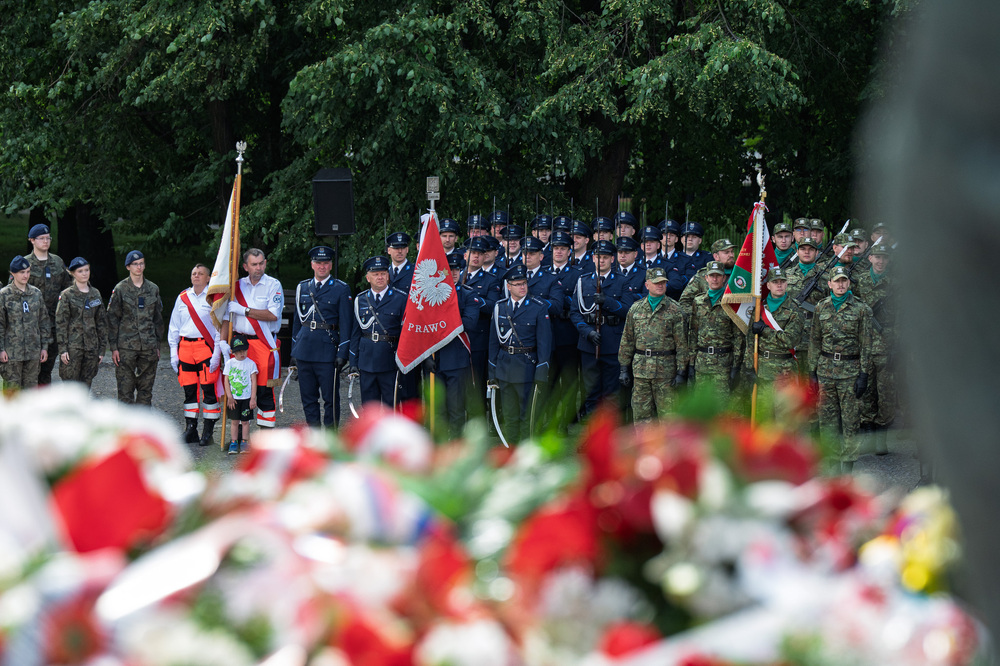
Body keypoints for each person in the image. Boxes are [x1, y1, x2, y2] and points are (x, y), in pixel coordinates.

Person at [808, 265, 874, 473]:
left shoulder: (861, 309)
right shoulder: (821, 307)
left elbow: (866, 344)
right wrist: (812, 371)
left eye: (844, 281)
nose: (841, 284)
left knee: (850, 419)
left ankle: (848, 462)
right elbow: (815, 340)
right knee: (826, 418)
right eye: (837, 281)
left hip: (850, 371)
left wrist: (864, 374)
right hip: (826, 370)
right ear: (829, 284)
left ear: (849, 283)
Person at [570, 239, 635, 416]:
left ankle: (611, 434)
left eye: (606, 257)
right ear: (593, 258)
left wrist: (609, 302)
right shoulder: (583, 281)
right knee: (590, 392)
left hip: (613, 343)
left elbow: (629, 310)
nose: (602, 261)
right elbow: (575, 312)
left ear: (612, 259)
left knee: (611, 393)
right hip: (589, 344)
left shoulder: (622, 281)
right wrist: (587, 332)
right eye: (599, 257)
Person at [488, 264, 552, 443]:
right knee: (509, 415)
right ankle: (511, 451)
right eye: (517, 284)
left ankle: (526, 453)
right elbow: (493, 343)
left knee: (527, 416)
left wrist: (541, 371)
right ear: (508, 286)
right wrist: (492, 372)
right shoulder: (500, 307)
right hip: (504, 368)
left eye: (524, 283)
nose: (522, 287)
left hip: (527, 370)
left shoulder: (538, 307)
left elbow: (544, 344)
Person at [291, 246, 352, 429]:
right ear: (312, 264)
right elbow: (297, 320)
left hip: (327, 352)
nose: (322, 266)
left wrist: (343, 352)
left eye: (325, 263)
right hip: (304, 351)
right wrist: (294, 349)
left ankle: (331, 439)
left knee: (330, 399)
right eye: (318, 263)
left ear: (331, 265)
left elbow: (346, 324)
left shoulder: (341, 289)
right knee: (308, 399)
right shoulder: (302, 287)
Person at [618, 266, 688, 421]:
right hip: (641, 371)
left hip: (666, 372)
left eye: (663, 282)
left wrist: (681, 372)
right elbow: (627, 339)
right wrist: (623, 367)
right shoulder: (635, 309)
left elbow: (682, 344)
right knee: (642, 415)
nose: (660, 285)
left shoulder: (676, 310)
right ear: (647, 284)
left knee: (669, 416)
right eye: (656, 282)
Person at [223, 248, 283, 427]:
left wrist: (245, 311)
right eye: (254, 264)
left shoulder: (273, 284)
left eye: (261, 263)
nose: (259, 267)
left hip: (263, 343)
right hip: (241, 343)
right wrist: (221, 342)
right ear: (245, 266)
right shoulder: (237, 286)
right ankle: (241, 437)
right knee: (239, 387)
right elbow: (226, 316)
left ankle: (266, 434)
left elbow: (273, 315)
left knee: (264, 390)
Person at [167, 264, 222, 445]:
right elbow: (174, 326)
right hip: (185, 348)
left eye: (200, 274)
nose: (196, 276)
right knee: (189, 391)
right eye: (194, 273)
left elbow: (219, 328)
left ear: (208, 278)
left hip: (204, 347)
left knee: (208, 390)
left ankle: (208, 431)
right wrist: (173, 352)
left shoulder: (213, 299)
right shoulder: (183, 298)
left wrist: (216, 353)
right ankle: (190, 429)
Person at [432, 253, 483, 435]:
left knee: (456, 409)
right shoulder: (432, 295)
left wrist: (442, 319)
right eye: (449, 269)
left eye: (456, 269)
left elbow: (469, 323)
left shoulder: (469, 295)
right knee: (437, 409)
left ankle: (456, 446)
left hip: (456, 359)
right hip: (435, 357)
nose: (453, 273)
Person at [853, 241, 896, 454]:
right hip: (864, 343)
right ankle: (868, 432)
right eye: (876, 257)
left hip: (888, 344)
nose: (880, 261)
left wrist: (898, 344)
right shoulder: (859, 282)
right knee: (865, 390)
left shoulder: (896, 284)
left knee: (886, 393)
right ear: (869, 258)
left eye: (884, 257)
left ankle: (882, 436)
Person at [348, 256, 407, 407]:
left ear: (388, 275)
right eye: (375, 274)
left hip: (390, 361)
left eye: (383, 273)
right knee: (369, 408)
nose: (380, 277)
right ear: (368, 278)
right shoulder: (360, 299)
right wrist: (353, 361)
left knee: (390, 407)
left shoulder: (401, 298)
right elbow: (355, 333)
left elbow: (405, 333)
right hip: (367, 361)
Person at [107, 250, 163, 405]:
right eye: (135, 264)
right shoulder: (120, 289)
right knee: (125, 390)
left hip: (148, 346)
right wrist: (114, 347)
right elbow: (112, 319)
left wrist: (157, 345)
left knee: (146, 390)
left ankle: (143, 425)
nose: (139, 267)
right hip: (126, 347)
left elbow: (158, 319)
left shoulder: (153, 289)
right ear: (128, 267)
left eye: (141, 263)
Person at [21, 224, 72, 385]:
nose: (45, 241)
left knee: (46, 369)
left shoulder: (57, 262)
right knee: (29, 370)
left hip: (53, 325)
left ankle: (42, 404)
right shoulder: (24, 264)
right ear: (32, 241)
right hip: (30, 326)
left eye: (48, 238)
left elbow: (68, 291)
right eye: (41, 238)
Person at [743, 267, 804, 401]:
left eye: (782, 281)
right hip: (763, 370)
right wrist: (749, 367)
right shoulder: (759, 308)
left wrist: (765, 330)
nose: (779, 285)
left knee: (784, 417)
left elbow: (790, 340)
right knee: (764, 416)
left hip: (785, 371)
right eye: (775, 282)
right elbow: (750, 340)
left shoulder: (796, 309)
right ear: (768, 285)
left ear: (787, 284)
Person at [688, 261, 744, 398]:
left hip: (723, 364)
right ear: (706, 278)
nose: (715, 279)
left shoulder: (730, 302)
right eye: (711, 276)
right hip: (702, 363)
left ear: (724, 278)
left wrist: (736, 367)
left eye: (718, 276)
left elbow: (738, 337)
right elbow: (693, 333)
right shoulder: (698, 302)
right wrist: (690, 363)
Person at [460, 237, 503, 409]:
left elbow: (494, 306)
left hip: (477, 338)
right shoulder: (454, 276)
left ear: (485, 257)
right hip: (455, 338)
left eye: (480, 254)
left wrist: (472, 300)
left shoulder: (491, 280)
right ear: (465, 255)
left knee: (476, 382)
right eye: (472, 253)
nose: (476, 257)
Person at [55, 257, 108, 390]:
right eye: (80, 271)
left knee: (86, 386)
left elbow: (101, 323)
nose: (84, 273)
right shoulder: (67, 295)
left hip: (91, 348)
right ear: (72, 273)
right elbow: (61, 323)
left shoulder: (95, 293)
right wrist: (63, 349)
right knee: (71, 388)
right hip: (73, 348)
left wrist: (101, 349)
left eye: (87, 270)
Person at [0, 256, 51, 389]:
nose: (25, 275)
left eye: (28, 271)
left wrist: (44, 346)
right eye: (22, 272)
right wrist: (1, 349)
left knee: (30, 393)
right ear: (13, 273)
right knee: (12, 392)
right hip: (12, 353)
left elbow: (44, 321)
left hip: (33, 351)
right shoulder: (4, 295)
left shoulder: (36, 293)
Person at [679, 238, 736, 315]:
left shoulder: (739, 274)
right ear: (716, 256)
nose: (731, 255)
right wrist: (699, 316)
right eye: (726, 252)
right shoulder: (702, 275)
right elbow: (684, 301)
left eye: (732, 251)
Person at [223, 334, 257, 455]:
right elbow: (226, 381)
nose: (242, 353)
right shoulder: (230, 363)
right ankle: (233, 442)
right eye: (238, 351)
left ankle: (245, 441)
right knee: (234, 421)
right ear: (232, 352)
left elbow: (254, 381)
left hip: (246, 398)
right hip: (234, 399)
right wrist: (229, 397)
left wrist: (253, 398)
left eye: (244, 350)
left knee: (246, 422)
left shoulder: (251, 364)